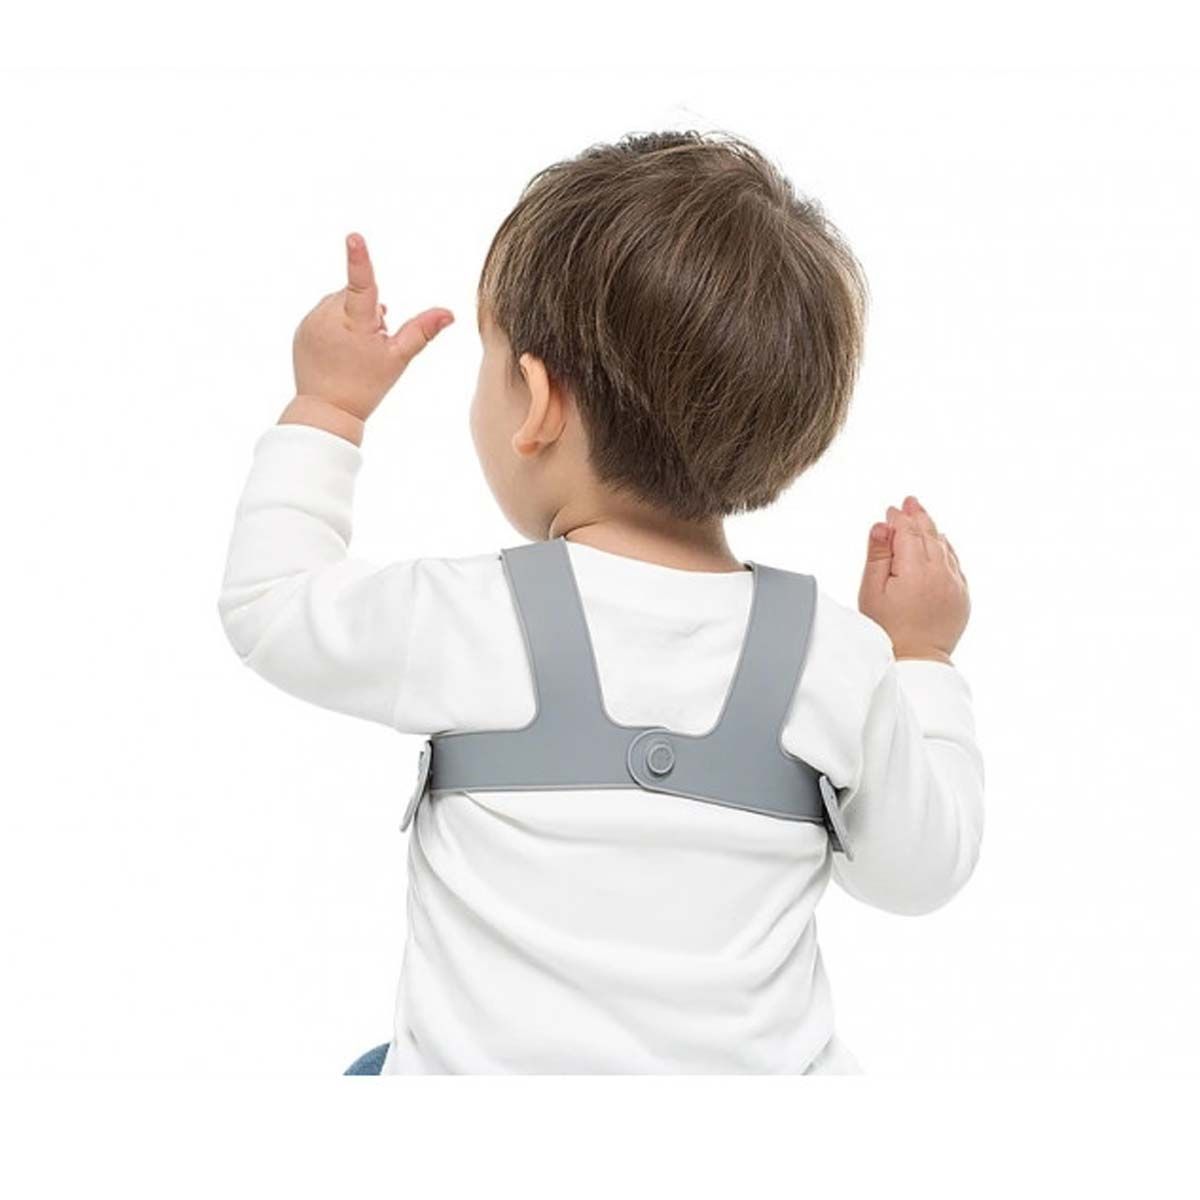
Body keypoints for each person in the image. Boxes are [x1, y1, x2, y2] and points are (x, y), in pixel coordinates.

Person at [217, 130, 983, 1074]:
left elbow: (272, 603)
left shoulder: (473, 617)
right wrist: (922, 659)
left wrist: (328, 410)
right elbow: (921, 871)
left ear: (538, 403)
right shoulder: (835, 658)